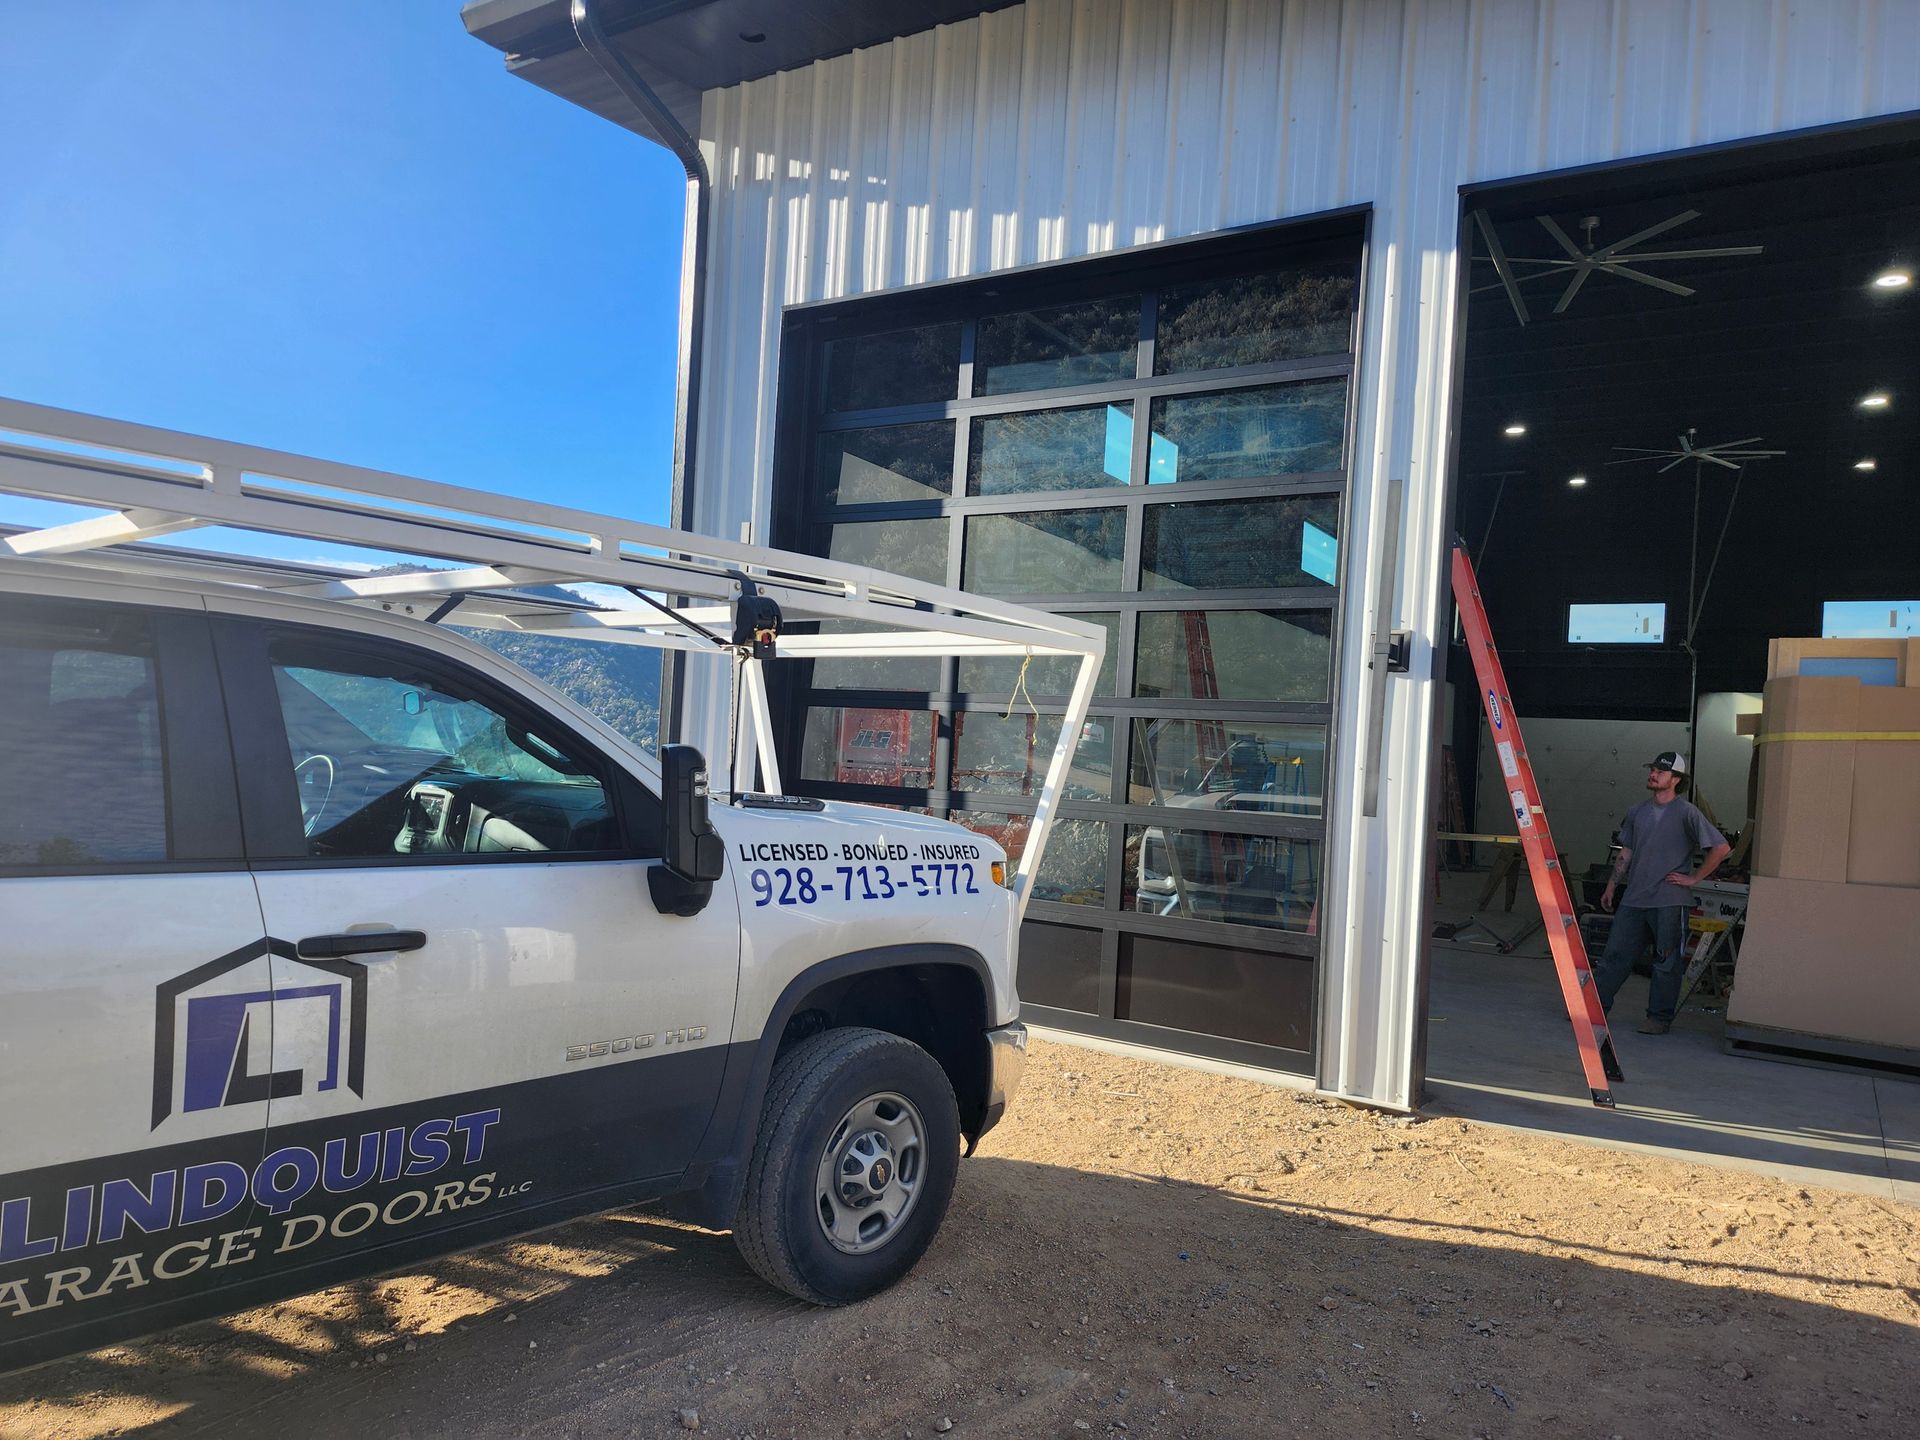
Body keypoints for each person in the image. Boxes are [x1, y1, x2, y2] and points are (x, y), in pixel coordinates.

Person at [1592, 751, 1730, 1035]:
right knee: (1614, 956)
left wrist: (1694, 878)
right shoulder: (1636, 811)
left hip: (1669, 900)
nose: (1653, 774)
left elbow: (1721, 848)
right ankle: (1594, 1010)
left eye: (1660, 771)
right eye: (1652, 769)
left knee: (1666, 961)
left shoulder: (1687, 812)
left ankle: (1658, 1018)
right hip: (1633, 898)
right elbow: (1626, 851)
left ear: (1676, 780)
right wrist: (1611, 885)